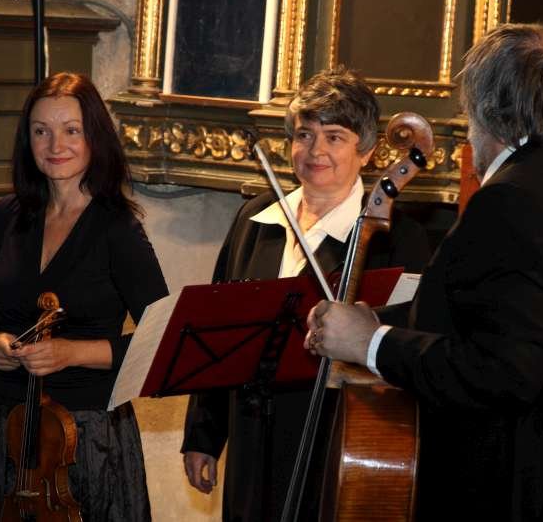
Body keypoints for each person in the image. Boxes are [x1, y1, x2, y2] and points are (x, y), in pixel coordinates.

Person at [305, 24, 543, 521]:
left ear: (487, 109)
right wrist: (379, 319)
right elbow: (503, 312)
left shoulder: (510, 200)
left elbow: (500, 370)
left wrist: (370, 343)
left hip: (526, 498)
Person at [181, 67, 431, 521]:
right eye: (304, 134)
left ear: (367, 151)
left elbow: (405, 352)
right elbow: (219, 332)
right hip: (251, 436)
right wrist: (203, 437)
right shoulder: (256, 220)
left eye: (334, 137)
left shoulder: (398, 240)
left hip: (336, 439)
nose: (316, 151)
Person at [0, 72, 169, 521]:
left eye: (71, 130)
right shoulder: (4, 217)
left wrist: (71, 352)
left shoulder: (118, 228)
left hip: (86, 436)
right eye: (41, 131)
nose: (55, 144)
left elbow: (161, 338)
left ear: (94, 137)